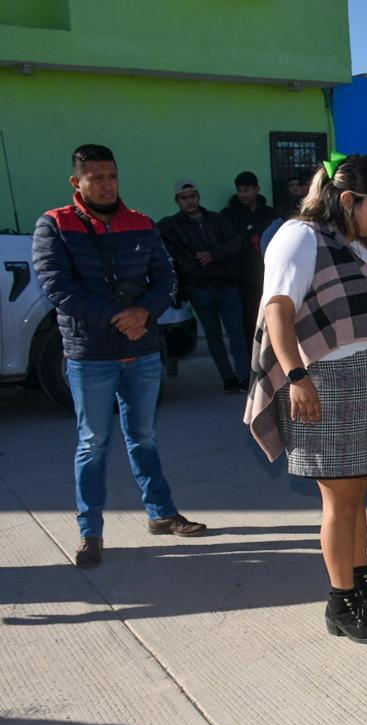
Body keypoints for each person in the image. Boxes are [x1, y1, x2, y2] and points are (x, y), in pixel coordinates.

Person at [245, 154, 367, 643]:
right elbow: (276, 309)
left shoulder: (360, 242)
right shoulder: (299, 236)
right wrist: (297, 376)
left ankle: (360, 580)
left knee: (356, 491)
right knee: (340, 498)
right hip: (326, 381)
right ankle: (341, 604)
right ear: (347, 200)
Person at [32, 144, 207, 569]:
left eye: (112, 176)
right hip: (90, 356)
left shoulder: (141, 224)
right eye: (96, 178)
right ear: (77, 182)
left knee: (143, 437)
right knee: (92, 443)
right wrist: (120, 318)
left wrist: (145, 313)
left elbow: (165, 278)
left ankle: (161, 514)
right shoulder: (54, 225)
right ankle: (90, 533)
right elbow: (59, 288)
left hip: (143, 352)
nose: (107, 185)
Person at [159, 180, 249, 394]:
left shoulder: (217, 220)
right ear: (177, 201)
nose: (189, 201)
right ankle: (228, 379)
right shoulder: (172, 226)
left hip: (227, 285)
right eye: (184, 197)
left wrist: (213, 254)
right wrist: (189, 264)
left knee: (236, 333)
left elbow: (236, 241)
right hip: (200, 289)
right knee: (213, 335)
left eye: (192, 196)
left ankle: (244, 377)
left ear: (198, 197)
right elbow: (169, 250)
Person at [221, 171, 278, 350]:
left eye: (246, 190)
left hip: (267, 277)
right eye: (240, 190)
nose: (243, 194)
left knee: (272, 321)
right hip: (241, 280)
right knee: (248, 326)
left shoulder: (270, 214)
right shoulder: (228, 215)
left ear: (257, 189)